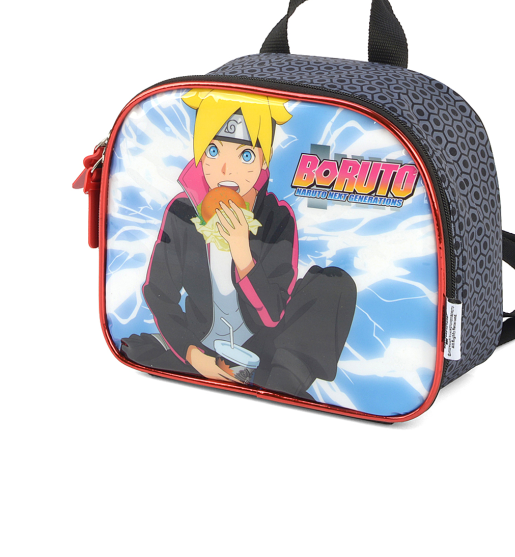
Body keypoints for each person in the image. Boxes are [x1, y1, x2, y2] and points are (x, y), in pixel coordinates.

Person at [120, 88, 357, 399]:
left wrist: (242, 254)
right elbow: (159, 294)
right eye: (213, 151)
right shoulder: (182, 211)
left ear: (262, 161)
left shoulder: (276, 217)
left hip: (265, 347)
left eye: (245, 155)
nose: (225, 169)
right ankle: (235, 378)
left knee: (334, 283)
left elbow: (272, 315)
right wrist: (193, 355)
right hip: (202, 344)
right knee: (133, 346)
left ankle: (281, 385)